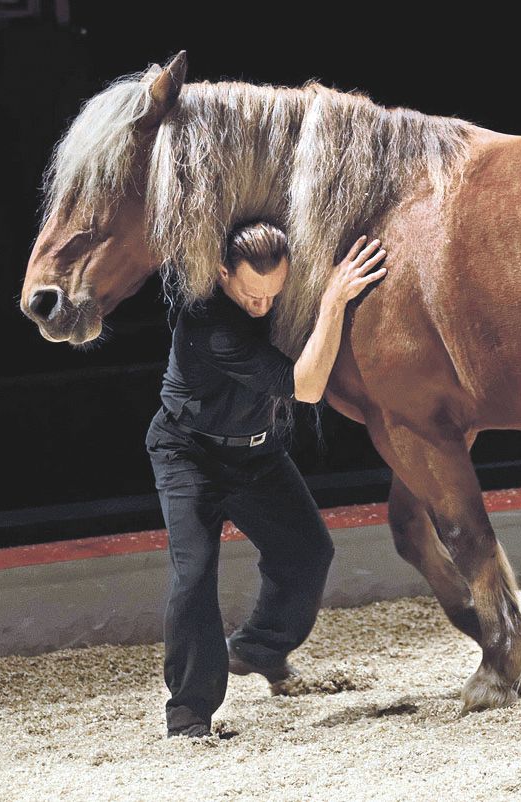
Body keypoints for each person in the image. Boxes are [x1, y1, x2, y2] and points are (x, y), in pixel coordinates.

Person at [145, 220, 388, 738]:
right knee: (193, 576)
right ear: (222, 273)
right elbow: (305, 387)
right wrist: (333, 302)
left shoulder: (276, 296)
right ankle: (188, 716)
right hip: (190, 454)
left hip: (258, 454)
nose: (263, 306)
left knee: (308, 552)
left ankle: (258, 649)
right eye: (252, 295)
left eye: (273, 294)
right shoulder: (209, 322)